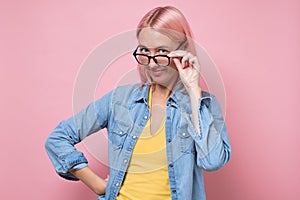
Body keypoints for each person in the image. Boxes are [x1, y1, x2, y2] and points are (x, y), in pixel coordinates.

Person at [45, 6, 231, 200]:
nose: (151, 63)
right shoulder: (120, 100)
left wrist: (193, 89)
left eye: (161, 51)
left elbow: (212, 161)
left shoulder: (203, 104)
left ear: (182, 50)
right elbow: (58, 138)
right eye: (144, 51)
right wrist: (97, 184)